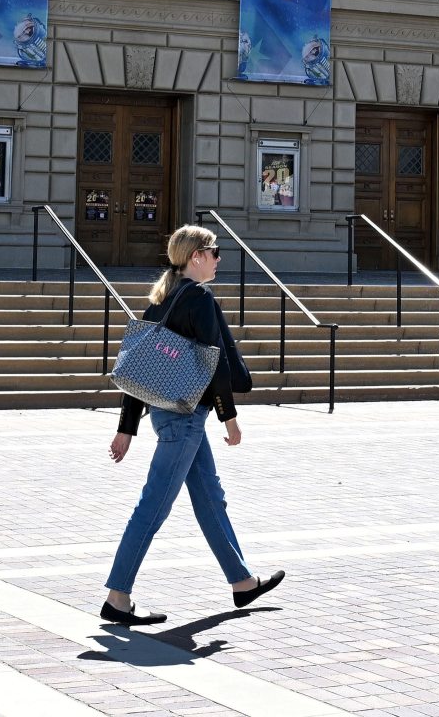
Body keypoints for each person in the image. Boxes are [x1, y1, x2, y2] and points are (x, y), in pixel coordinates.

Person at [102, 224, 283, 627]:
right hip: (184, 419)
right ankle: (118, 597)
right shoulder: (198, 298)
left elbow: (137, 369)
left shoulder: (160, 300)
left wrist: (126, 429)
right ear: (196, 256)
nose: (220, 258)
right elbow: (214, 364)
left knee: (209, 498)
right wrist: (229, 416)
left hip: (174, 416)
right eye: (215, 251)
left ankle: (242, 582)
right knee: (153, 506)